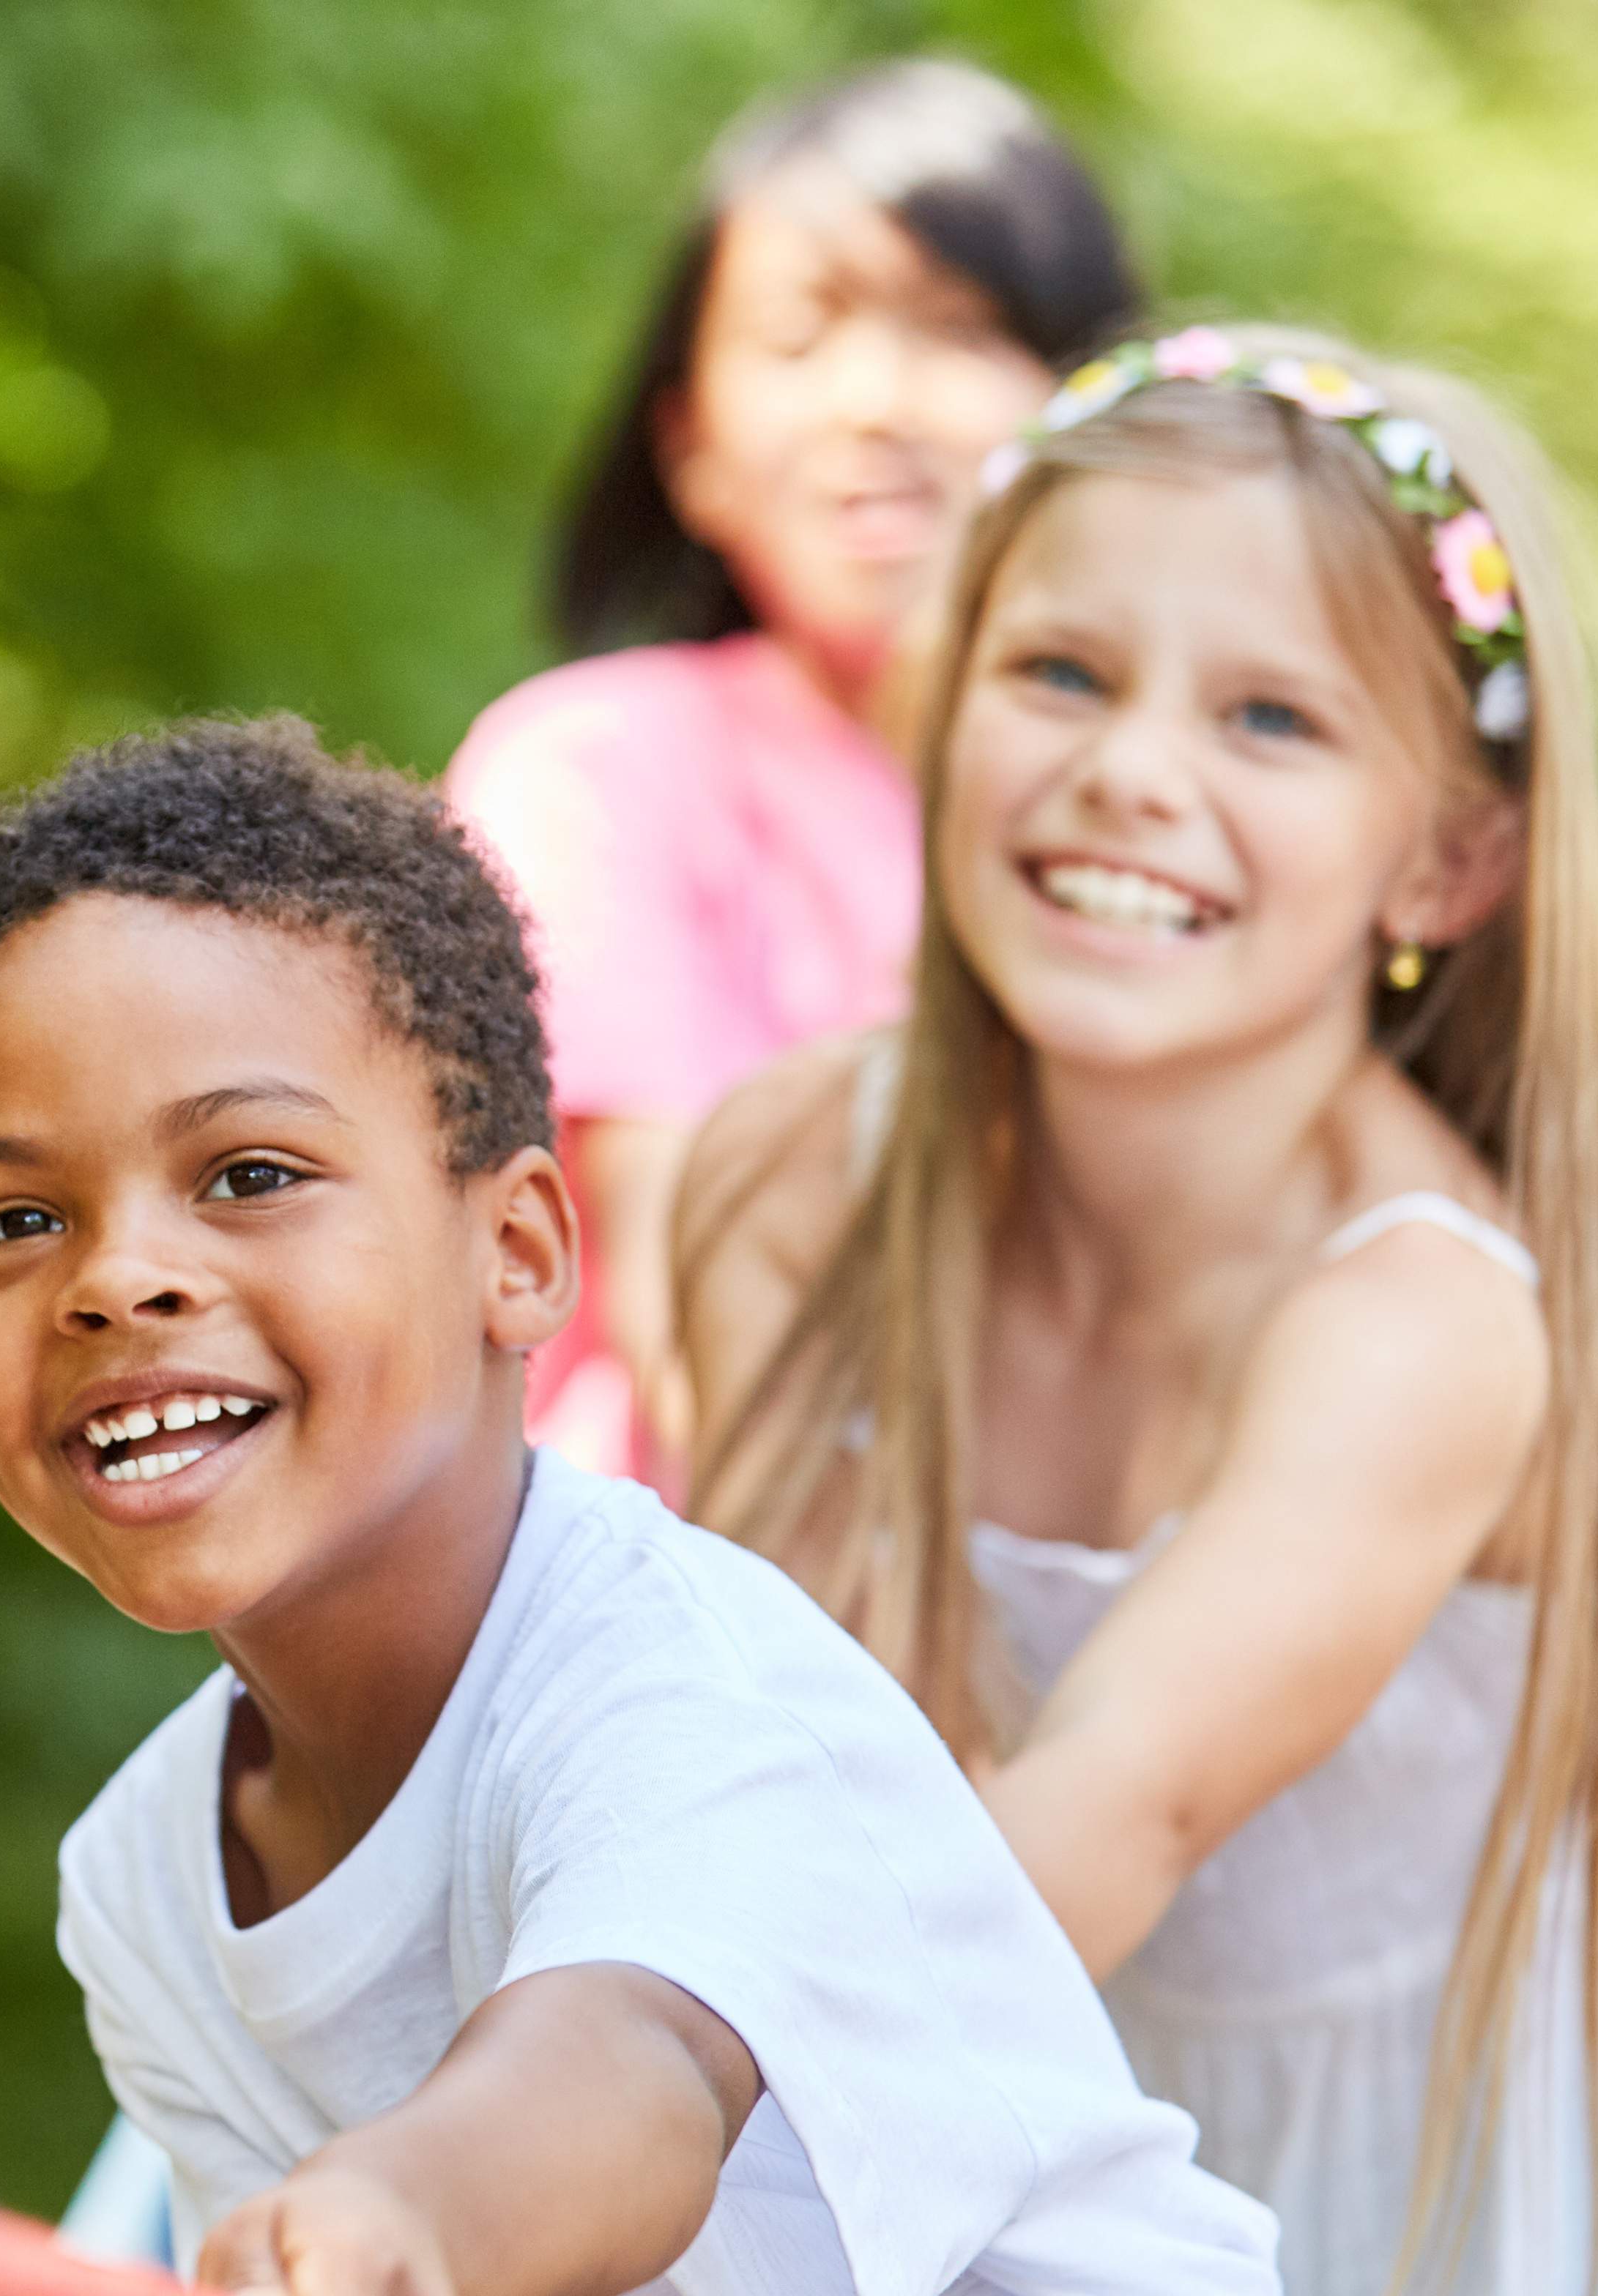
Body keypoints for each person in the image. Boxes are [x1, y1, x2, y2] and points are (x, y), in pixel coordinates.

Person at [0, 716, 1472, 2296]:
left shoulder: (678, 1678)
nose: (120, 1277)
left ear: (521, 1252)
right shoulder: (143, 1895)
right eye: (9, 1221)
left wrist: (401, 2217)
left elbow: (633, 2076)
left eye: (252, 1174)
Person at [677, 324, 1598, 2296]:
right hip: (1124, 2111)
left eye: (1266, 719)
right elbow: (757, 1782)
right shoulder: (787, 1180)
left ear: (1446, 857)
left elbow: (1070, 1844)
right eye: (1062, 670)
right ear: (937, 707)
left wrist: (572, 2172)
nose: (1130, 773)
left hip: (1552, 2156)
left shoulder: (1417, 1320)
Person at [456, 56, 1131, 1488]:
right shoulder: (594, 772)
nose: (874, 398)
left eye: (957, 328)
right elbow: (698, 1308)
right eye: (798, 334)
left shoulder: (1157, 807)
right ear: (691, 447)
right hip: (725, 1619)